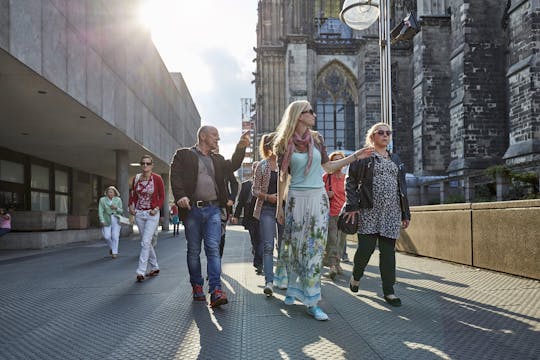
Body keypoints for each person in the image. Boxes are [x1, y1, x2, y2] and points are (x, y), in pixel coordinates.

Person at [274, 100, 374, 320]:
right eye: (309, 112)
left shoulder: (317, 139)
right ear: (299, 115)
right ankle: (292, 288)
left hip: (318, 199)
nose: (314, 115)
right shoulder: (283, 142)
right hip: (296, 200)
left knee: (314, 249)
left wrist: (355, 156)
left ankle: (312, 301)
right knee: (294, 246)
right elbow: (282, 177)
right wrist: (280, 207)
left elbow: (328, 167)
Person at [170, 126, 249, 308]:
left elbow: (234, 165)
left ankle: (215, 290)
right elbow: (175, 177)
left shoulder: (218, 159)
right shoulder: (183, 155)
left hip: (213, 209)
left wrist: (241, 146)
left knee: (213, 248)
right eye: (215, 135)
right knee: (194, 250)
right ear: (203, 136)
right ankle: (197, 285)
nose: (218, 138)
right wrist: (180, 195)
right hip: (192, 211)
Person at [344, 122, 411, 307]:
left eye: (388, 133)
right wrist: (352, 206)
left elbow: (402, 188)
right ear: (372, 136)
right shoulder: (364, 156)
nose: (385, 135)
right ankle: (356, 276)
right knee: (365, 249)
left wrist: (405, 213)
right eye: (380, 132)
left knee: (388, 252)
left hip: (391, 212)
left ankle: (389, 291)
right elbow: (350, 182)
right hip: (368, 210)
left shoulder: (396, 159)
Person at [252, 133, 283, 296]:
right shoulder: (262, 166)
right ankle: (269, 282)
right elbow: (255, 189)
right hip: (266, 210)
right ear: (270, 146)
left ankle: (282, 278)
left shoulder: (286, 164)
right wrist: (268, 197)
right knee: (268, 246)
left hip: (285, 209)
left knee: (284, 245)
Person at [129, 155, 165, 282]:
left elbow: (162, 197)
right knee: (147, 242)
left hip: (152, 214)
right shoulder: (136, 178)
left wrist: (156, 208)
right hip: (139, 213)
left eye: (148, 163)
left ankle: (141, 271)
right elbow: (133, 195)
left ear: (152, 165)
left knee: (145, 242)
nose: (145, 166)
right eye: (143, 163)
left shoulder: (157, 179)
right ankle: (155, 266)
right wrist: (130, 206)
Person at [231, 161, 262, 274]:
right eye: (254, 167)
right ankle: (256, 251)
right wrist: (236, 216)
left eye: (258, 167)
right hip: (249, 217)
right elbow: (240, 203)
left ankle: (259, 262)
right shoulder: (246, 184)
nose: (256, 169)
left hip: (261, 216)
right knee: (254, 239)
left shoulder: (264, 184)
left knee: (261, 239)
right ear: (253, 170)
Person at [323, 151, 348, 279]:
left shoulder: (346, 178)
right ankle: (332, 265)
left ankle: (337, 263)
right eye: (335, 160)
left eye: (340, 160)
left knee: (341, 241)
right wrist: (326, 194)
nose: (338, 163)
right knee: (332, 240)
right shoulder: (326, 177)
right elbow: (319, 193)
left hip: (344, 214)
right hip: (331, 213)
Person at [98, 186, 123, 258]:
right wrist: (101, 220)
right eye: (109, 192)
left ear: (115, 193)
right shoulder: (102, 200)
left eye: (112, 192)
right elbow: (100, 211)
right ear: (106, 192)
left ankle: (115, 252)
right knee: (107, 236)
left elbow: (121, 211)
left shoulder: (118, 200)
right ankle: (112, 247)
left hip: (116, 218)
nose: (110, 193)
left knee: (115, 236)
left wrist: (116, 208)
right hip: (106, 219)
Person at [220, 169, 239, 257]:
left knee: (220, 236)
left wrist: (231, 199)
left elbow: (234, 183)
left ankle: (217, 264)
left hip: (222, 207)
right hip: (203, 204)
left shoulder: (224, 165)